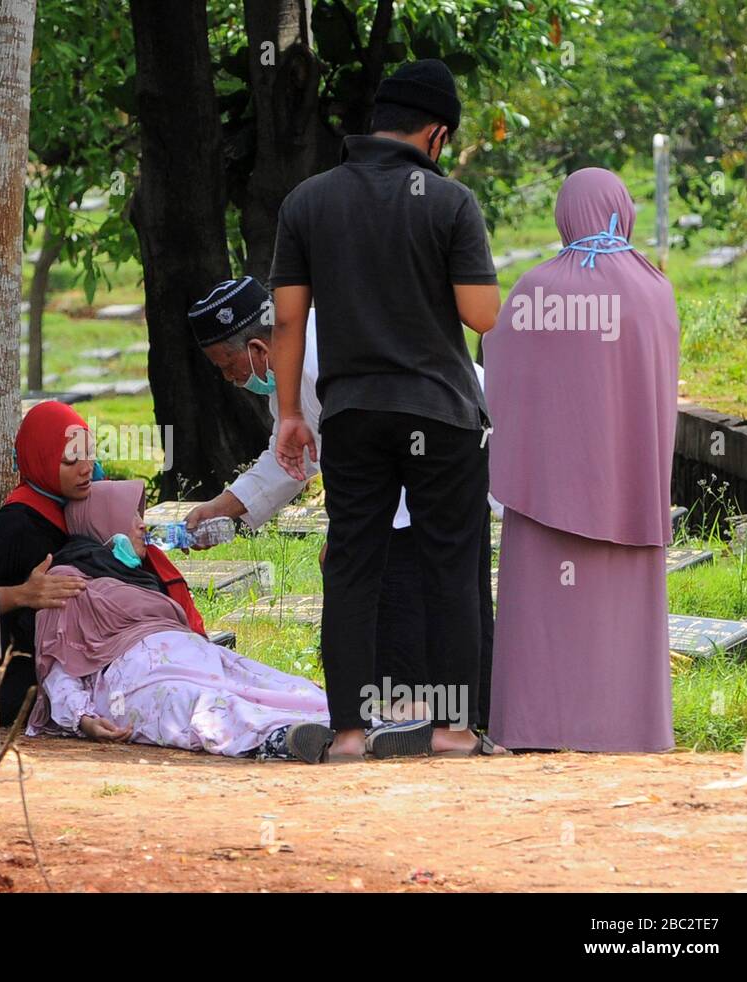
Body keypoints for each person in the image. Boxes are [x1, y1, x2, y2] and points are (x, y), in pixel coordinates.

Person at [270, 59, 508, 759]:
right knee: (450, 565)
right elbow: (481, 316)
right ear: (435, 135)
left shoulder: (308, 202)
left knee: (351, 565)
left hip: (351, 414)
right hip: (439, 414)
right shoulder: (450, 202)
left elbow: (286, 322)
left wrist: (290, 413)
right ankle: (455, 729)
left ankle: (348, 732)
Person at [186, 276, 500, 728]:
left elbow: (383, 450)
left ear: (257, 350)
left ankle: (421, 722)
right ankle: (451, 720)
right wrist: (223, 505)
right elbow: (290, 453)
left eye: (225, 365)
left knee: (406, 602)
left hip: (437, 466)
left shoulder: (326, 359)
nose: (228, 379)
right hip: (419, 477)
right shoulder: (296, 362)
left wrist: (353, 533)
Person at [484, 168, 679, 752]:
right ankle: (629, 727)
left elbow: (497, 379)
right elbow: (659, 387)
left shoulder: (535, 289)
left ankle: (534, 726)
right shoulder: (654, 289)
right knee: (622, 616)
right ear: (622, 210)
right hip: (629, 487)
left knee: (545, 613)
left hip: (545, 491)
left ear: (565, 215)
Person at [28, 481, 427, 761]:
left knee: (271, 684)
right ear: (102, 519)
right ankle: (280, 739)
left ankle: (364, 726)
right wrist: (82, 718)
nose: (141, 524)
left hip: (198, 656)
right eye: (130, 514)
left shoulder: (139, 573)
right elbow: (57, 665)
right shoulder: (68, 579)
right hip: (133, 682)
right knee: (200, 706)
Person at [0, 401, 95, 723]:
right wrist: (23, 595)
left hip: (82, 667)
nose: (86, 468)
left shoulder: (80, 508)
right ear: (41, 460)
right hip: (28, 687)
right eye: (70, 460)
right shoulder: (13, 524)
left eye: (89, 453)